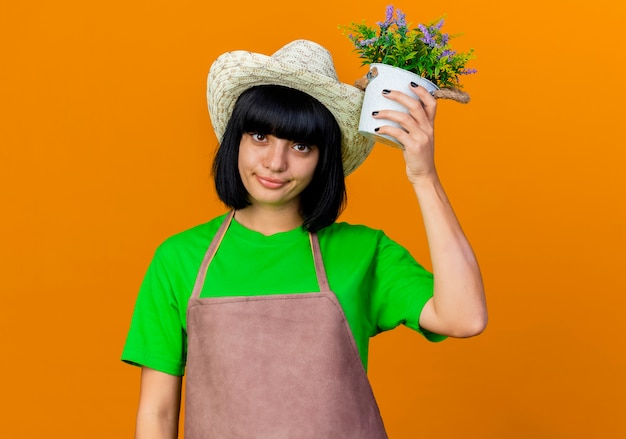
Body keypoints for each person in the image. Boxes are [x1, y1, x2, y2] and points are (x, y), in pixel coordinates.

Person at [122, 39, 487, 438]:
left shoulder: (364, 252)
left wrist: (423, 176)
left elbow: (464, 317)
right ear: (235, 140)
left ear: (323, 158)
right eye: (260, 136)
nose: (275, 162)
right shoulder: (178, 259)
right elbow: (157, 414)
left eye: (300, 145)